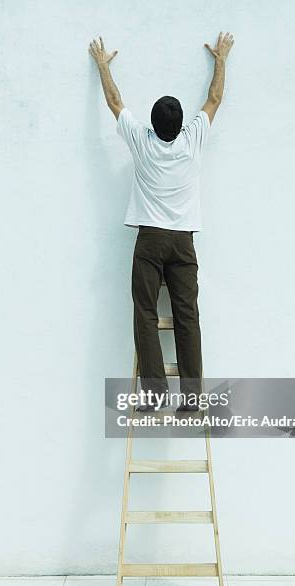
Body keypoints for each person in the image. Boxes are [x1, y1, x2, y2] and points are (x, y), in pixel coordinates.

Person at [89, 32, 234, 411]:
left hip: (151, 241)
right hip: (183, 242)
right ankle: (192, 397)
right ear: (181, 123)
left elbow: (115, 101)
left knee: (145, 314)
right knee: (188, 316)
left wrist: (103, 66)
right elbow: (215, 98)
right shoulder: (193, 139)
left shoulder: (141, 140)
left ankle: (153, 395)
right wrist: (221, 60)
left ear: (153, 124)